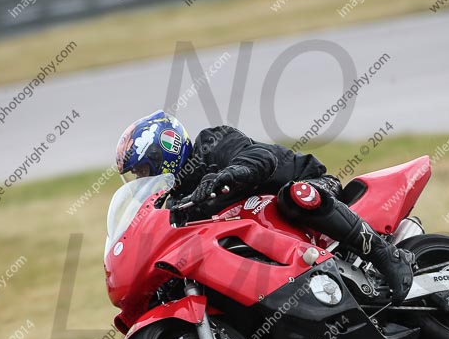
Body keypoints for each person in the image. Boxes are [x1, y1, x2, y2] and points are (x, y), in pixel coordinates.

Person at [115, 110, 414, 303]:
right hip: (264, 240)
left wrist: (227, 174)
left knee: (295, 196)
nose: (143, 178)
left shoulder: (212, 143)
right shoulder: (178, 203)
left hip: (310, 188)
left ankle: (385, 254)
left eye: (143, 169)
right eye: (138, 176)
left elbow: (258, 156)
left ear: (165, 151)